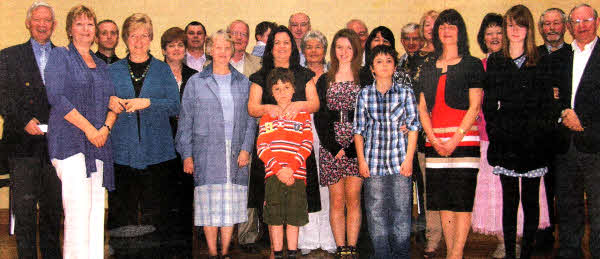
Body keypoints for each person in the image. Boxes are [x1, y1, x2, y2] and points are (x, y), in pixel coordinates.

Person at [44, 5, 117, 258]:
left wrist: (105, 128)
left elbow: (111, 101)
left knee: (96, 213)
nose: (85, 29)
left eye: (89, 24)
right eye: (79, 24)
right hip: (70, 143)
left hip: (98, 145)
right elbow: (57, 98)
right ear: (69, 29)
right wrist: (89, 130)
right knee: (77, 215)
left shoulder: (101, 64)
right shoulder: (60, 56)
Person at [176, 29, 256, 259]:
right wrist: (187, 155)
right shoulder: (195, 82)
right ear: (210, 50)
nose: (222, 52)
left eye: (227, 48)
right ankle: (212, 253)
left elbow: (252, 120)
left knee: (230, 205)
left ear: (233, 51)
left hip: (235, 151)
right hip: (207, 152)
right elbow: (186, 121)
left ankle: (225, 251)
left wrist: (245, 149)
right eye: (218, 47)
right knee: (208, 206)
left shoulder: (243, 83)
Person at [483, 5, 553, 259]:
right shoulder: (496, 61)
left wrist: (540, 135)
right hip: (506, 141)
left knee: (531, 201)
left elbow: (547, 105)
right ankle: (511, 254)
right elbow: (489, 104)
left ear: (528, 29)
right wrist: (496, 131)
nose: (515, 30)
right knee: (510, 202)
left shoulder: (541, 59)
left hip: (533, 142)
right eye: (510, 25)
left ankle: (527, 254)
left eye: (520, 25)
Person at [416, 9, 484, 259]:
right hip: (434, 142)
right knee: (442, 201)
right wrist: (434, 139)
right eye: (442, 27)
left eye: (451, 26)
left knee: (462, 201)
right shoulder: (427, 67)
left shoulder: (472, 64)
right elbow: (422, 109)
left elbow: (475, 106)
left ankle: (457, 253)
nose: (446, 31)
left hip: (464, 141)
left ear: (460, 31)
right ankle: (449, 253)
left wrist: (454, 139)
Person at [107, 13, 180, 243]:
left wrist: (148, 103)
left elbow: (175, 105)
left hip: (157, 152)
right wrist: (108, 101)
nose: (139, 42)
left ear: (151, 39)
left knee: (156, 214)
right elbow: (101, 104)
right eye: (133, 36)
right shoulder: (113, 70)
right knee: (123, 213)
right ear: (125, 39)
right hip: (122, 151)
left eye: (144, 36)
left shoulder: (162, 69)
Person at [0, 2, 62, 258]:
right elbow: (3, 96)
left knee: (52, 213)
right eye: (37, 19)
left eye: (47, 20)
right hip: (22, 147)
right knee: (24, 216)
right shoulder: (8, 56)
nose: (42, 24)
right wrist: (24, 119)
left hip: (57, 148)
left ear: (54, 25)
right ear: (28, 23)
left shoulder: (64, 56)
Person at [543, 4, 600, 259]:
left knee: (598, 209)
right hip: (565, 144)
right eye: (576, 22)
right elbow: (549, 98)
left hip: (596, 143)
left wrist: (583, 121)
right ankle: (569, 253)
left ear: (596, 22)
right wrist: (564, 112)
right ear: (570, 27)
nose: (581, 26)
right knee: (567, 207)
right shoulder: (560, 58)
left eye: (586, 20)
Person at [354, 44, 420, 259]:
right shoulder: (364, 94)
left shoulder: (405, 93)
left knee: (402, 211)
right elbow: (358, 131)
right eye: (379, 62)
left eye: (389, 61)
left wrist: (409, 159)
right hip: (373, 162)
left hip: (400, 161)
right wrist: (361, 161)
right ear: (372, 68)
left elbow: (413, 127)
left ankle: (401, 254)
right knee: (375, 213)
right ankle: (382, 254)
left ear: (395, 66)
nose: (384, 65)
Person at [314, 29, 362, 258]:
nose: (344, 52)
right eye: (339, 47)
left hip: (357, 144)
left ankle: (352, 246)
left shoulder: (365, 77)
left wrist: (353, 147)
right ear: (334, 50)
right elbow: (320, 117)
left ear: (356, 50)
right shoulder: (325, 79)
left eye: (349, 47)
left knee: (353, 199)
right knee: (337, 199)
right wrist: (335, 147)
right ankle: (341, 246)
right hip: (331, 146)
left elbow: (367, 114)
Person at [256, 67, 314, 259]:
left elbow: (307, 144)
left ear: (293, 90)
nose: (282, 92)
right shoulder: (266, 117)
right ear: (271, 92)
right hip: (274, 176)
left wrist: (291, 169)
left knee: (293, 219)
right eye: (277, 89)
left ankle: (291, 253)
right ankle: (278, 253)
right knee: (275, 219)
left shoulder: (303, 115)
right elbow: (262, 147)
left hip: (296, 176)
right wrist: (278, 170)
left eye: (286, 87)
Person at [298, 29, 336, 256]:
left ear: (324, 50)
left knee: (328, 185)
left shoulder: (332, 74)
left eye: (318, 47)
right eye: (308, 47)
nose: (313, 51)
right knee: (308, 184)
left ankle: (329, 238)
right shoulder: (298, 75)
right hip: (303, 132)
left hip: (328, 135)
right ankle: (309, 238)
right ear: (303, 50)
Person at [226, 19, 262, 252]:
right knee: (224, 185)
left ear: (249, 38)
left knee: (247, 185)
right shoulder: (215, 63)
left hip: (251, 131)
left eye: (243, 34)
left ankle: (248, 234)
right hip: (222, 133)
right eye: (235, 33)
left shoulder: (258, 63)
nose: (239, 37)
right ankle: (224, 234)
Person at [160, 26, 197, 245]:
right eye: (171, 45)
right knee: (163, 193)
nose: (176, 49)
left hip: (187, 142)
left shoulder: (194, 76)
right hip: (162, 138)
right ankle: (164, 243)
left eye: (180, 45)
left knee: (185, 193)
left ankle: (184, 244)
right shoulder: (156, 73)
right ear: (164, 49)